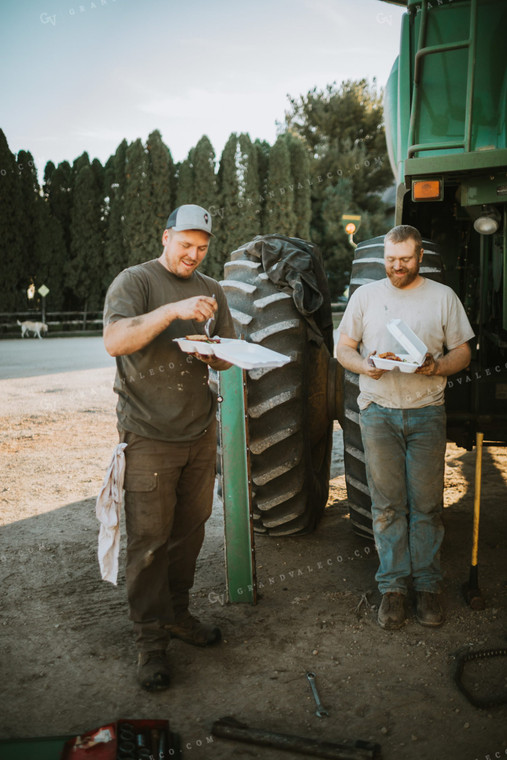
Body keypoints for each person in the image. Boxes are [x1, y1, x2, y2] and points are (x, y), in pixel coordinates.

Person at [103, 204, 236, 690]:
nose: (193, 255)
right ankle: (150, 644)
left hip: (199, 434)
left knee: (188, 535)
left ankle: (178, 615)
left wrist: (214, 352)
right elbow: (116, 341)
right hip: (148, 437)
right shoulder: (135, 282)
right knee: (148, 544)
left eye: (202, 248)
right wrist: (174, 312)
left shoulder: (213, 289)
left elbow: (224, 358)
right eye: (185, 245)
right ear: (166, 238)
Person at [336, 225, 474, 630]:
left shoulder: (442, 297)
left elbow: (463, 352)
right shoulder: (366, 297)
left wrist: (436, 366)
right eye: (391, 260)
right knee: (387, 505)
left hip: (427, 412)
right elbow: (344, 348)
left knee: (428, 504)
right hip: (378, 412)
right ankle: (393, 588)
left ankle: (428, 586)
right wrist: (366, 365)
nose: (398, 267)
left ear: (420, 258)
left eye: (406, 260)